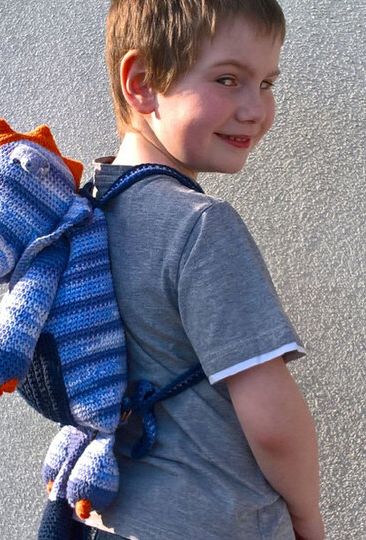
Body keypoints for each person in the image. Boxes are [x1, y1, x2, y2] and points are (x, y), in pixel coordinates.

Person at [81, 1, 324, 539]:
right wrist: (307, 517)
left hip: (104, 516)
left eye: (267, 83)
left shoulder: (81, 218)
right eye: (228, 79)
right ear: (143, 84)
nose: (255, 109)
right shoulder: (200, 225)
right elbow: (271, 419)